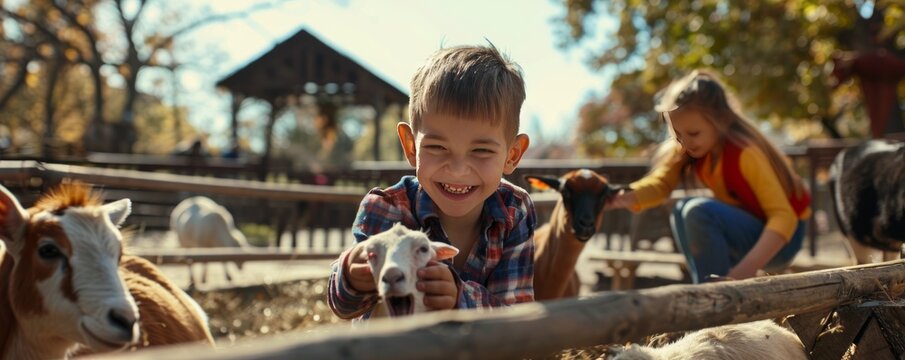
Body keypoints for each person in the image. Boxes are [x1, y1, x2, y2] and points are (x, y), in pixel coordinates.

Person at [327, 43, 536, 320]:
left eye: (481, 150)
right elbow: (347, 307)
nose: (458, 170)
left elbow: (517, 319)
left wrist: (460, 298)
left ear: (512, 155)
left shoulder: (514, 210)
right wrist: (352, 275)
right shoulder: (386, 208)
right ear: (411, 146)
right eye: (437, 147)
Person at [607, 69, 811, 283]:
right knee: (680, 209)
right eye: (678, 136)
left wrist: (743, 272)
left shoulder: (745, 153)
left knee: (698, 211)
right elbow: (661, 184)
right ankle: (706, 286)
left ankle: (717, 291)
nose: (685, 143)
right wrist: (620, 196)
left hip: (783, 241)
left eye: (693, 133)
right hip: (752, 231)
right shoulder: (691, 147)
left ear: (721, 120)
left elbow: (784, 217)